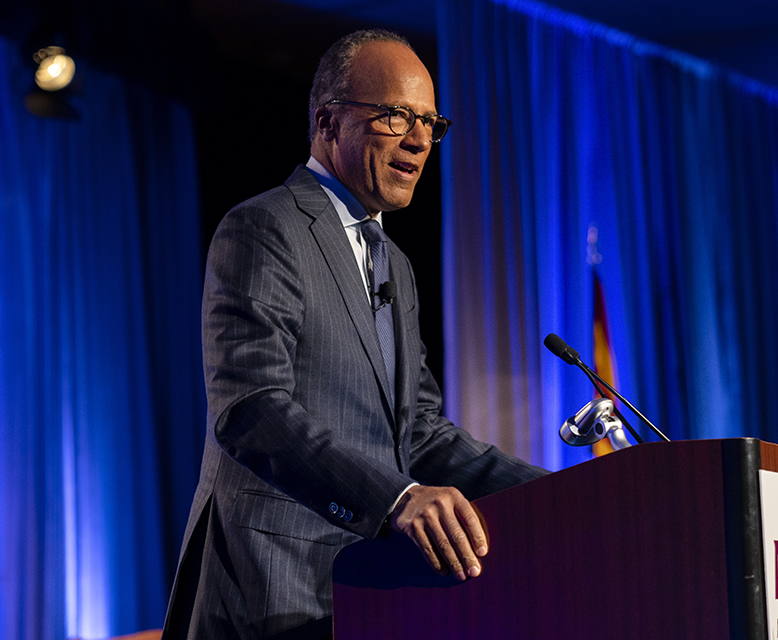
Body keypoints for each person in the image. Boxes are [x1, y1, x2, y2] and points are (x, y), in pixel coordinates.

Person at [161, 29, 549, 639]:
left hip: (365, 593)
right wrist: (398, 499)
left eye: (429, 122)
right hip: (269, 591)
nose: (420, 141)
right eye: (396, 117)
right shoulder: (265, 228)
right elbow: (250, 409)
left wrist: (563, 496)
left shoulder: (394, 263)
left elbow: (418, 433)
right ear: (327, 121)